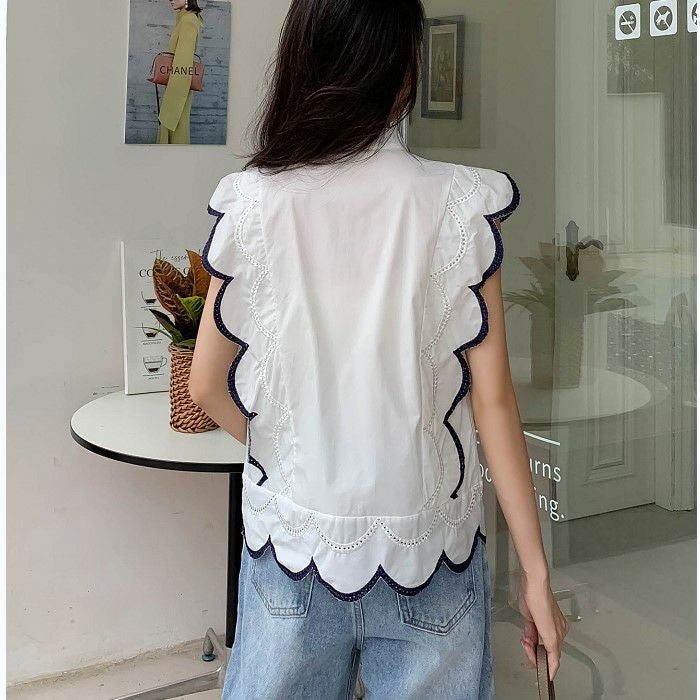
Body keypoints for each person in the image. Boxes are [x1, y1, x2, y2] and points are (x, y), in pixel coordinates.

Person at [189, 1, 569, 697]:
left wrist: (292, 448)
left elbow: (206, 386)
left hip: (295, 545)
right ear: (403, 70)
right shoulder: (460, 206)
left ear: (306, 61)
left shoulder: (253, 204)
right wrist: (536, 574)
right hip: (431, 548)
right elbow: (492, 403)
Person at [157, 0, 203, 144]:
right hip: (177, 81)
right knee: (176, 128)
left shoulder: (188, 20)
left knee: (175, 126)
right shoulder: (184, 18)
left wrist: (173, 94)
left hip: (178, 85)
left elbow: (184, 60)